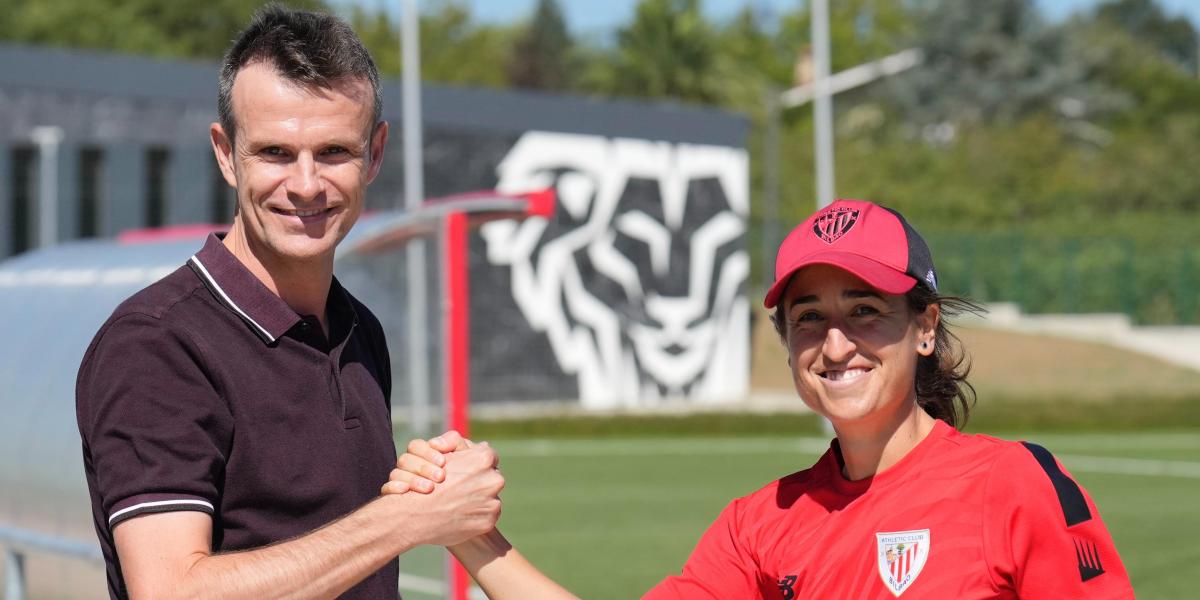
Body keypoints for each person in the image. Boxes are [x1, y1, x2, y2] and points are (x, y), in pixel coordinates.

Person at [386, 199, 1135, 598]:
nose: (835, 345)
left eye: (865, 311)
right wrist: (469, 536)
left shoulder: (1014, 484)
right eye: (809, 319)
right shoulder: (759, 524)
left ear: (926, 327)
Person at [75, 6, 503, 599]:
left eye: (334, 152)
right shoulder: (156, 344)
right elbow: (172, 591)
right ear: (225, 153)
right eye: (275, 152)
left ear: (376, 153)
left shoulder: (359, 328)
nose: (305, 185)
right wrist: (407, 518)